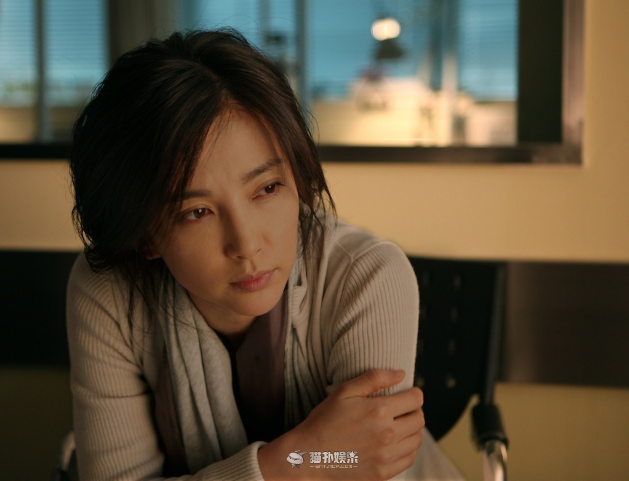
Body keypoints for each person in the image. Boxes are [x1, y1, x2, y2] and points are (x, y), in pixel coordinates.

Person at [66, 29, 451, 481]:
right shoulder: (110, 292)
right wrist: (293, 463)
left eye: (267, 189)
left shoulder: (365, 277)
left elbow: (367, 465)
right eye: (197, 212)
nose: (247, 245)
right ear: (144, 236)